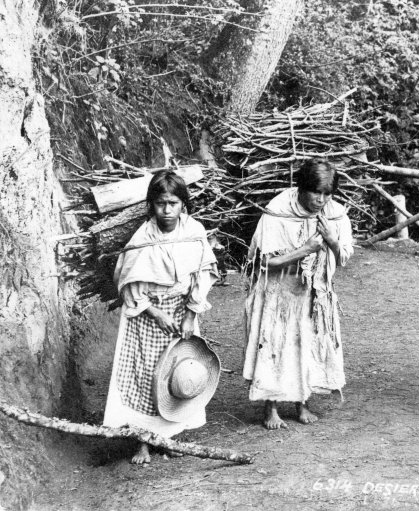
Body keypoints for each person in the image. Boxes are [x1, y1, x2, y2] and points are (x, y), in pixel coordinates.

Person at [103, 170, 218, 464]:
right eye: (161, 204)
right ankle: (141, 441)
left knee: (175, 373)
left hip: (181, 311)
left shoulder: (194, 234)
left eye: (174, 203)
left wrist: (191, 314)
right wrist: (154, 312)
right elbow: (128, 283)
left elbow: (202, 276)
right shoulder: (142, 239)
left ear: (184, 205)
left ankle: (166, 437)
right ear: (150, 206)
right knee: (145, 375)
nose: (167, 210)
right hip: (146, 316)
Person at [243, 158, 353, 429]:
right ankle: (271, 408)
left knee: (305, 344)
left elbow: (344, 257)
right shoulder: (278, 211)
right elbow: (262, 262)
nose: (321, 200)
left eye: (327, 194)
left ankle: (302, 403)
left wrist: (331, 240)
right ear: (301, 187)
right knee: (276, 344)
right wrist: (304, 249)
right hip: (279, 292)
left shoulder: (334, 214)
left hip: (313, 293)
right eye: (316, 192)